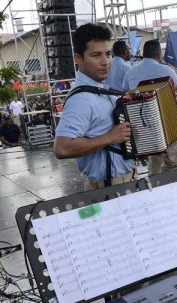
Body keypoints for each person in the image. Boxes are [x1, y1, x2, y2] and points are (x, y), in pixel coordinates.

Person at [54, 23, 135, 191]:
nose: (105, 62)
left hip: (120, 180)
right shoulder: (82, 99)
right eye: (96, 55)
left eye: (108, 54)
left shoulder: (102, 90)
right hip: (111, 185)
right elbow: (62, 148)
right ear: (78, 58)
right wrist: (110, 138)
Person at [123, 39, 177, 176]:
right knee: (175, 163)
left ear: (144, 54)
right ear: (159, 55)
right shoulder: (166, 70)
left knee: (154, 166)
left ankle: (155, 184)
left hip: (144, 132)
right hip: (167, 127)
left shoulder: (130, 73)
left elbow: (124, 97)